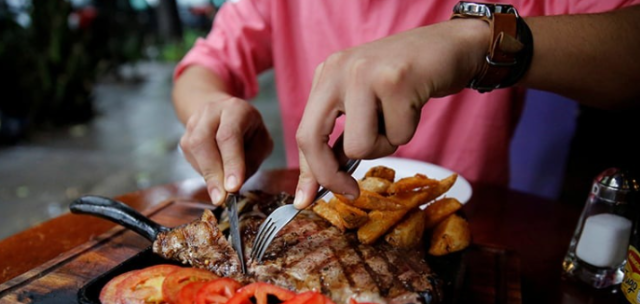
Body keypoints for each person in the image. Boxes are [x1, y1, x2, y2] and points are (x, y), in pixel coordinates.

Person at [171, 1, 640, 210]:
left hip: (477, 224)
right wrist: (212, 107)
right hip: (318, 208)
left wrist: (478, 40)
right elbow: (201, 68)